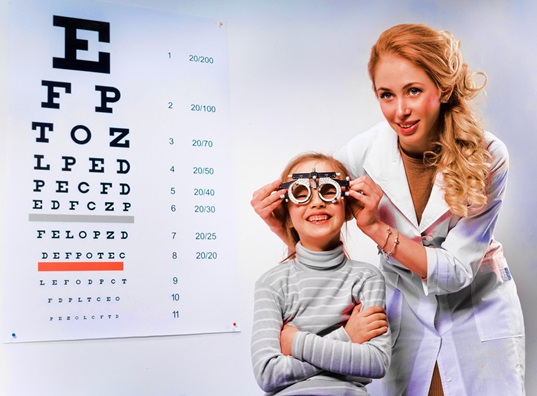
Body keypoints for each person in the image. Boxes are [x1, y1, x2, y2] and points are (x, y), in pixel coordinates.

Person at [251, 24, 525, 396]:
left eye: (413, 91)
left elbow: (457, 271)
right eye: (386, 95)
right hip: (403, 309)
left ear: (442, 88)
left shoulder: (488, 156)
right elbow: (320, 225)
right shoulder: (361, 155)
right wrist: (278, 223)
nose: (400, 111)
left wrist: (378, 231)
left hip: (475, 308)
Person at [251, 152, 391, 395]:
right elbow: (268, 374)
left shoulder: (366, 278)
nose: (316, 202)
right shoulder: (272, 283)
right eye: (301, 193)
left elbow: (375, 363)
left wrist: (296, 343)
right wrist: (348, 337)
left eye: (328, 190)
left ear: (347, 207)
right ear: (288, 216)